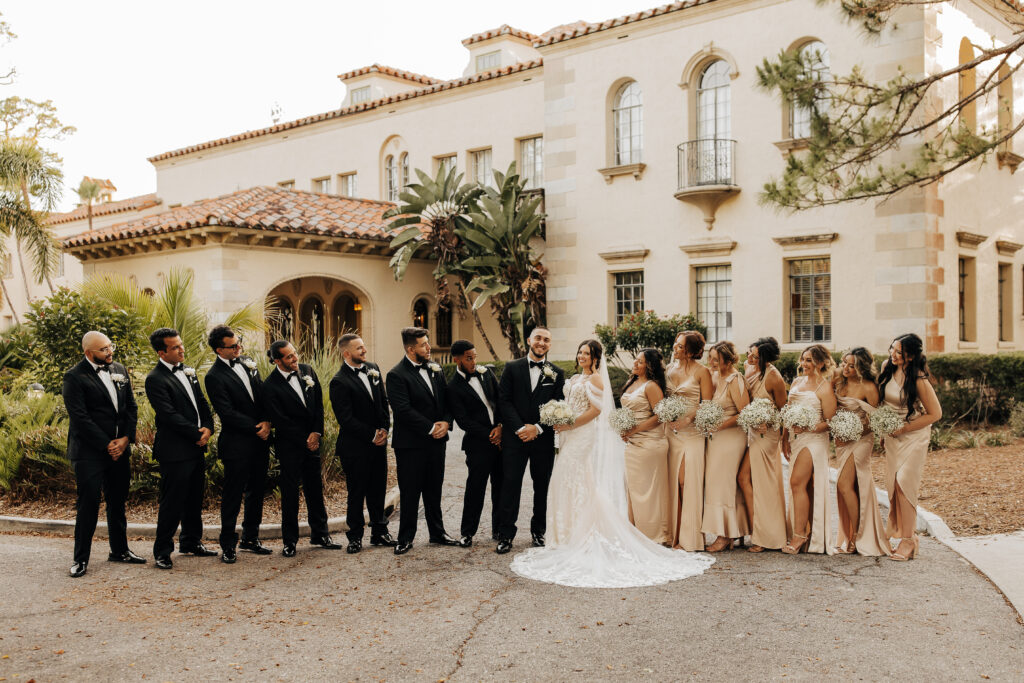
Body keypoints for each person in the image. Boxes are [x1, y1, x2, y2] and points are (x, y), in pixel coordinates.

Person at [510, 339, 714, 588]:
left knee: (579, 480)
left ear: (596, 357)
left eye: (587, 353)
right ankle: (564, 534)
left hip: (584, 434)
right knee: (564, 480)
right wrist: (558, 417)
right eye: (580, 351)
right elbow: (571, 404)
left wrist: (570, 423)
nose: (582, 355)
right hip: (569, 436)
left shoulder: (597, 379)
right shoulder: (575, 378)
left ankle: (589, 531)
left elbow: (597, 410)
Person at [63, 331, 143, 578]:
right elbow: (80, 417)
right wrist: (108, 444)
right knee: (88, 504)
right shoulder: (74, 377)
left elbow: (131, 406)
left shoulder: (119, 369)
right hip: (89, 452)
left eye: (110, 347)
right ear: (89, 353)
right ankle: (80, 559)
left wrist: (126, 439)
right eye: (104, 350)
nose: (110, 352)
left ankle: (119, 551)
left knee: (117, 501)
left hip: (120, 449)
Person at [145, 327, 217, 570]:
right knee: (172, 501)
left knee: (194, 498)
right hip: (175, 450)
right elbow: (168, 415)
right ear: (161, 353)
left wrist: (208, 428)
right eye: (175, 347)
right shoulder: (155, 379)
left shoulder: (189, 371)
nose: (181, 349)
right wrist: (196, 434)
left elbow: (202, 404)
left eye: (181, 344)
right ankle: (162, 551)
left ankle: (191, 541)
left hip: (197, 446)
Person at [261, 340, 341, 557]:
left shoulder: (307, 371)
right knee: (290, 494)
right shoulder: (269, 386)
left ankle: (321, 534)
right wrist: (305, 439)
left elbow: (317, 406)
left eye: (295, 353)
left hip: (312, 441)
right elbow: (281, 420)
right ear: (277, 361)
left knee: (315, 489)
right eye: (289, 357)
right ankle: (290, 541)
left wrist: (316, 433)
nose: (295, 359)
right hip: (290, 446)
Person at [386, 327, 460, 555]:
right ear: (410, 349)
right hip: (411, 444)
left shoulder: (436, 370)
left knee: (433, 489)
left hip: (437, 442)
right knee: (410, 491)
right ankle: (405, 538)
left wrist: (446, 423)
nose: (429, 348)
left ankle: (437, 533)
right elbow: (403, 410)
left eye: (428, 343)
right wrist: (430, 428)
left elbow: (447, 401)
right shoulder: (396, 375)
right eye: (423, 344)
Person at [204, 325, 273, 563]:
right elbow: (227, 412)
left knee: (256, 491)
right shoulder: (213, 376)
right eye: (233, 346)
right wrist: (258, 427)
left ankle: (250, 538)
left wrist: (267, 421)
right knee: (233, 495)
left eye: (238, 343)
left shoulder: (248, 362)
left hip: (260, 440)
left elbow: (262, 394)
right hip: (237, 444)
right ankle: (228, 544)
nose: (239, 348)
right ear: (218, 350)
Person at [494, 326, 565, 554]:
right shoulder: (512, 368)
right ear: (529, 340)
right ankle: (505, 535)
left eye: (546, 340)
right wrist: (519, 428)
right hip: (515, 440)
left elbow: (558, 406)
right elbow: (503, 401)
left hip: (542, 441)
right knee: (510, 485)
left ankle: (538, 531)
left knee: (541, 487)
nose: (541, 343)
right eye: (538, 338)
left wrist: (537, 428)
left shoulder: (556, 373)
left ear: (550, 344)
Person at [328, 334, 395, 554]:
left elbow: (383, 403)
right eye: (359, 349)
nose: (364, 351)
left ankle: (379, 532)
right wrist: (371, 434)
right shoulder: (339, 381)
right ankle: (355, 536)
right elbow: (345, 418)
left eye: (364, 347)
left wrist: (385, 429)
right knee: (356, 493)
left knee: (377, 491)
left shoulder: (373, 368)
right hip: (355, 447)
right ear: (346, 353)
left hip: (378, 444)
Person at [878, 333, 942, 561]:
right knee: (894, 485)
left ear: (911, 356)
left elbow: (935, 414)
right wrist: (883, 428)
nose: (893, 355)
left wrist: (904, 428)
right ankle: (906, 536)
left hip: (913, 436)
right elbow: (884, 401)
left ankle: (908, 539)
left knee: (905, 484)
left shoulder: (919, 379)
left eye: (899, 353)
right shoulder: (888, 367)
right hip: (893, 436)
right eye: (892, 350)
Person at [833, 347, 890, 557]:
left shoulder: (868, 387)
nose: (846, 368)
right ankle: (850, 534)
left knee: (844, 484)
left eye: (852, 365)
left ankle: (858, 534)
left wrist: (854, 431)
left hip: (861, 439)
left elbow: (876, 420)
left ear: (861, 367)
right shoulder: (839, 382)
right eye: (844, 364)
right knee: (849, 487)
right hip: (841, 440)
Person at [782, 344, 837, 555]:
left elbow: (830, 421)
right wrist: (785, 438)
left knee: (796, 482)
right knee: (803, 486)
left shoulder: (824, 387)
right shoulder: (796, 381)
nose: (804, 364)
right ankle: (805, 531)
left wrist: (808, 427)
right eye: (803, 359)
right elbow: (788, 410)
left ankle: (800, 536)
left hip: (814, 440)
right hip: (795, 438)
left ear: (820, 363)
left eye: (809, 360)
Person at [447, 339, 503, 548]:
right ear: (457, 360)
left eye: (474, 357)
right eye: (468, 358)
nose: (473, 362)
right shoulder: (453, 388)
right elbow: (463, 421)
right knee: (475, 489)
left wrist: (501, 427)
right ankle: (467, 532)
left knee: (501, 486)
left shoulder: (486, 373)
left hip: (501, 440)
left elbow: (500, 400)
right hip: (478, 445)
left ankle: (499, 529)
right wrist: (491, 433)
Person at [738, 337, 789, 553]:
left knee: (761, 483)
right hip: (750, 430)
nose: (749, 357)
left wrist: (766, 421)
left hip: (767, 435)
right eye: (750, 352)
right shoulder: (747, 368)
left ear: (765, 359)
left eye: (755, 356)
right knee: (745, 479)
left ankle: (766, 536)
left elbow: (782, 410)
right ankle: (754, 529)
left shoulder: (774, 378)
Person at [701, 341, 751, 552]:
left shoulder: (735, 379)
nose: (711, 362)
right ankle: (729, 531)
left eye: (716, 359)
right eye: (710, 357)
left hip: (731, 437)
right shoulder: (714, 377)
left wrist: (720, 425)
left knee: (724, 484)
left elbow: (744, 412)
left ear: (728, 360)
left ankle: (725, 535)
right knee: (715, 483)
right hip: (715, 438)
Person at [665, 331, 712, 551]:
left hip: (692, 433)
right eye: (675, 344)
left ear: (691, 350)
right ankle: (673, 534)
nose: (676, 348)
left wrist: (687, 419)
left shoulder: (702, 372)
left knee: (687, 481)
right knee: (673, 482)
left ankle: (690, 536)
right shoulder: (669, 369)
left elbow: (707, 404)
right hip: (670, 432)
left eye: (680, 346)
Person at [619, 348, 671, 544]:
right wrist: (623, 428)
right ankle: (636, 531)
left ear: (649, 366)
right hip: (633, 444)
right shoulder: (631, 382)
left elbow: (660, 417)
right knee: (633, 488)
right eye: (636, 360)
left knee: (648, 491)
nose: (635, 363)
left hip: (650, 442)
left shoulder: (651, 387)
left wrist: (634, 430)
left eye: (640, 362)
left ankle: (654, 535)